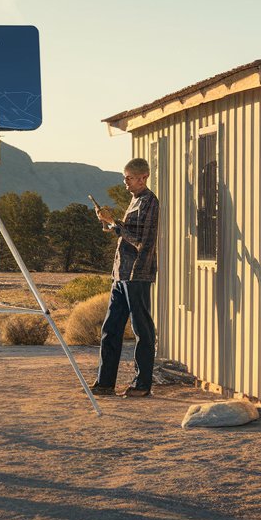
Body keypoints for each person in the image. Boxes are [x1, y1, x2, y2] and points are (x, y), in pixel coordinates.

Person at [90, 158, 159, 398]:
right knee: (111, 328)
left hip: (137, 273)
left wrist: (114, 224)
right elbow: (125, 233)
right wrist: (108, 223)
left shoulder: (150, 202)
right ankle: (105, 382)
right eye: (124, 178)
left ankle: (142, 384)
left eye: (129, 178)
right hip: (120, 273)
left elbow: (142, 241)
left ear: (143, 177)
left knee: (142, 330)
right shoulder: (134, 201)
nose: (125, 182)